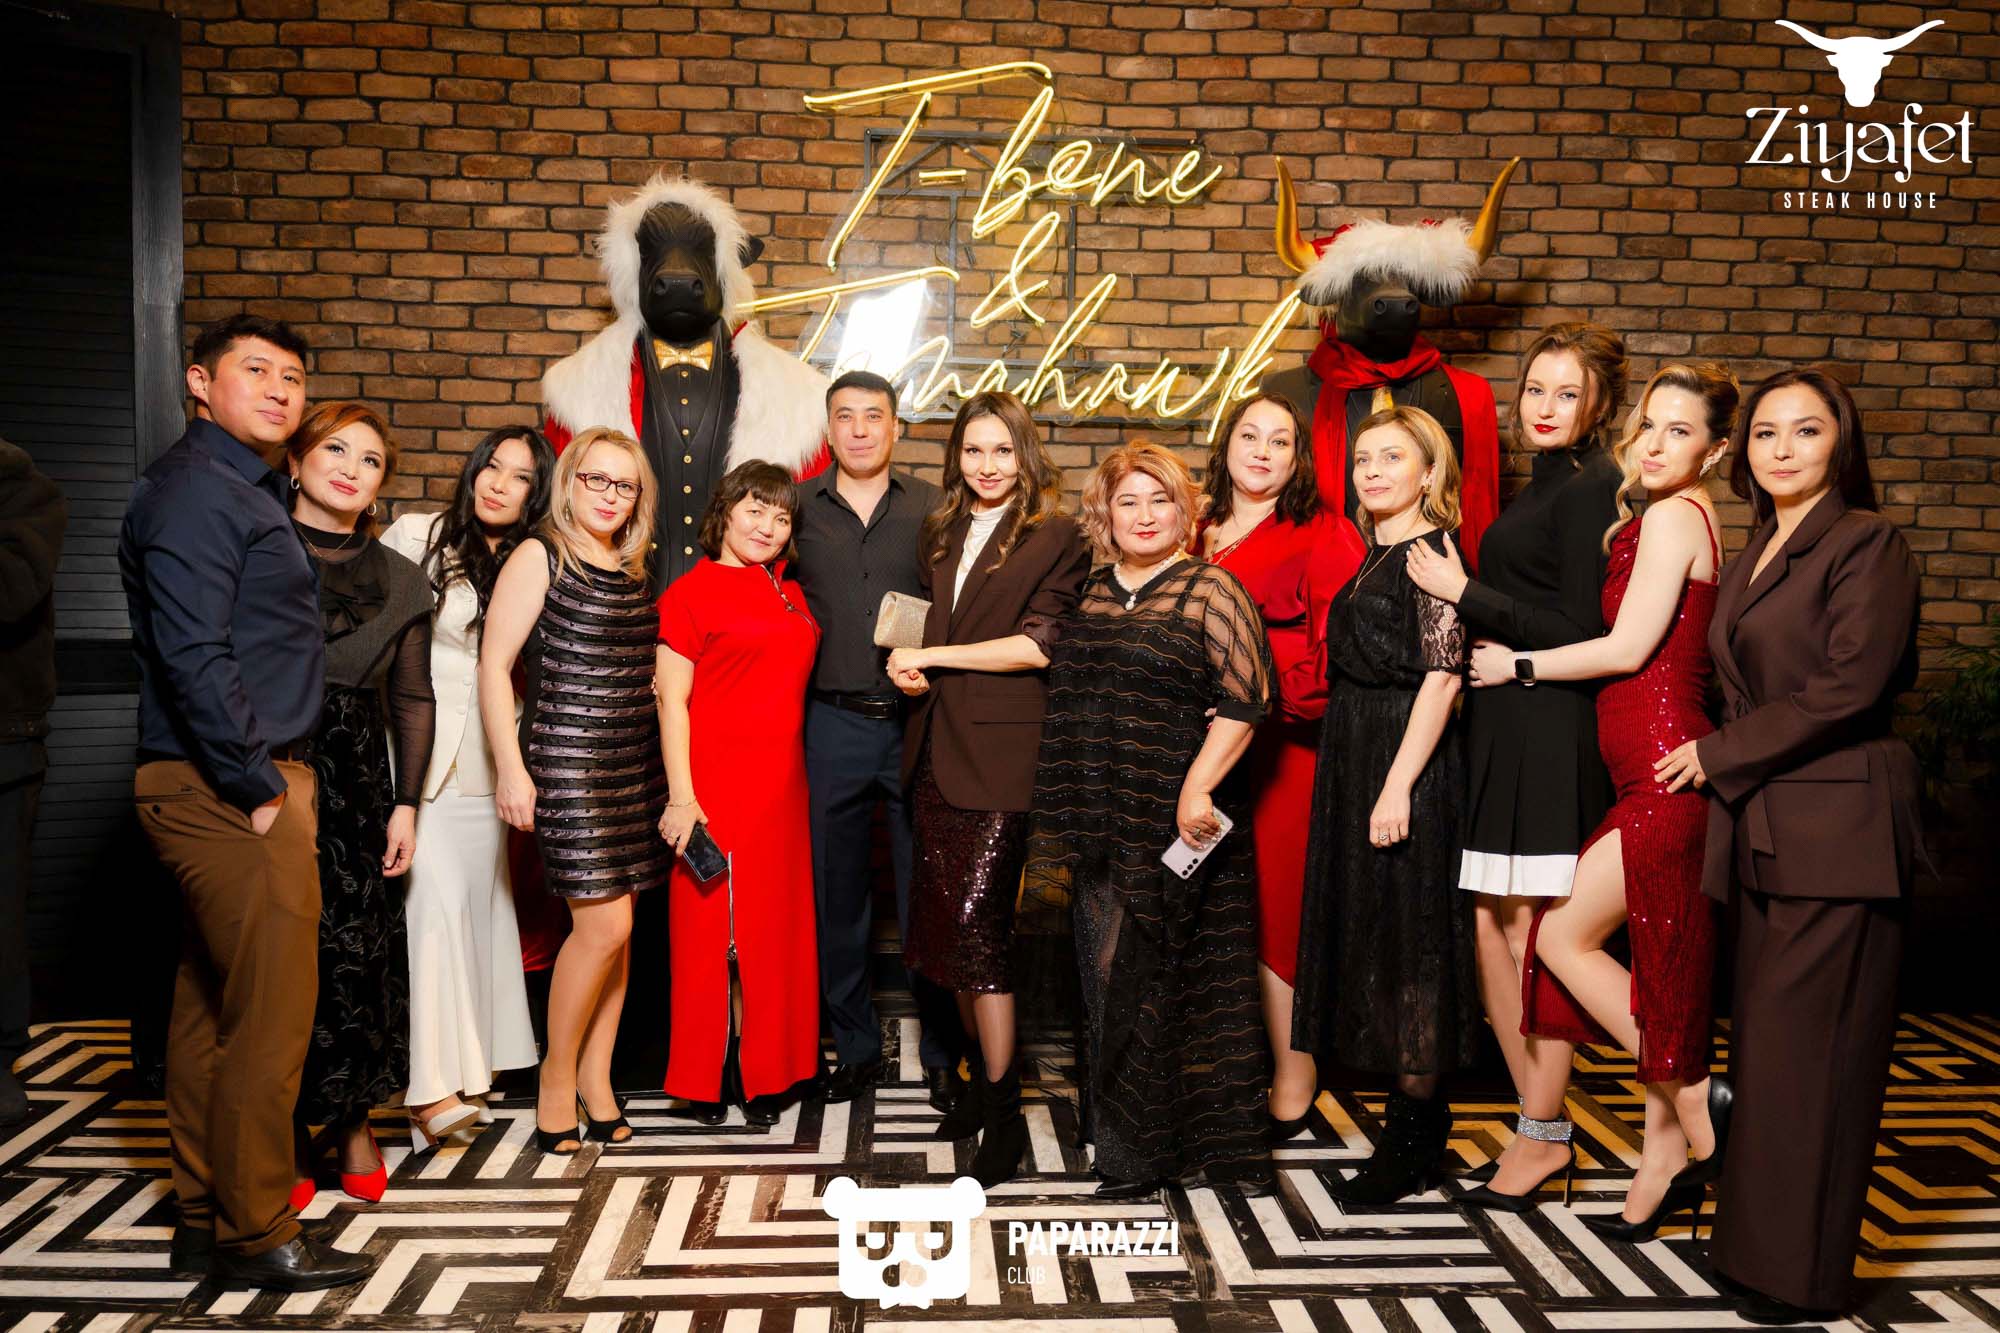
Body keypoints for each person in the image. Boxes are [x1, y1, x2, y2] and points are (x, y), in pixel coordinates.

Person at [1655, 369, 1923, 1324]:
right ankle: (1755, 1252)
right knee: (1771, 1052)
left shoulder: (1868, 542)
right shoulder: (1762, 545)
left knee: (1819, 1057)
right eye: (1767, 432)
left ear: (1840, 442)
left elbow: (1851, 686)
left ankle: (1802, 1276)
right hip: (1768, 825)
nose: (1782, 448)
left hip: (1840, 829)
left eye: (1806, 431)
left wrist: (1714, 754)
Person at [120, 314, 373, 1289]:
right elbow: (194, 651)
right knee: (270, 1019)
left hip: (221, 778)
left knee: (207, 1010)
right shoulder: (197, 491)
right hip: (231, 781)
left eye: (293, 378)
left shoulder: (237, 487)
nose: (279, 390)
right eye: (256, 370)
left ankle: (204, 1214)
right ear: (199, 381)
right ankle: (259, 1228)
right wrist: (257, 783)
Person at [1470, 364, 1736, 1234]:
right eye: (1650, 425)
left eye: (1680, 431)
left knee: (1558, 935)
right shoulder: (1661, 511)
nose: (1655, 444)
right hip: (1641, 772)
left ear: (1715, 450)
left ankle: (1695, 1093)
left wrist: (1516, 663)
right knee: (1653, 964)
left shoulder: (1673, 516)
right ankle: (1664, 1153)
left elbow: (1623, 649)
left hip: (1662, 771)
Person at [1404, 323, 1626, 1191]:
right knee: (1491, 930)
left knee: (1531, 931)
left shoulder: (1594, 486)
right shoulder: (1547, 482)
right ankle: (1541, 1120)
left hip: (1548, 723)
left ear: (1600, 405)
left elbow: (1586, 627)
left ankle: (1543, 1130)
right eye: (1537, 388)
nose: (1546, 406)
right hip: (1503, 720)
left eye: (1569, 393)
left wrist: (1465, 592)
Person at [1024, 442, 1274, 1198]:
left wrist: (1197, 789)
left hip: (1177, 820)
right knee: (1103, 973)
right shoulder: (1096, 591)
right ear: (1106, 513)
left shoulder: (1211, 589)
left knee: (1160, 973)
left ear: (1184, 510)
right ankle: (1125, 1133)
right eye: (1127, 501)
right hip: (1102, 816)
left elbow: (1247, 701)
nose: (1143, 515)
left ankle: (1161, 1143)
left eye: (1159, 499)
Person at [886, 392, 1091, 1187]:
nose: (987, 465)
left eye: (1003, 450)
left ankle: (1003, 1111)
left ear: (1026, 454)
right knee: (948, 937)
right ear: (957, 458)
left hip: (1003, 758)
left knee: (979, 934)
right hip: (935, 749)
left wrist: (933, 658)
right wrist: (905, 663)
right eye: (973, 450)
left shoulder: (1054, 535)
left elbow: (1039, 647)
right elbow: (919, 623)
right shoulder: (941, 530)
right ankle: (979, 1083)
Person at [1293, 405, 1474, 1205]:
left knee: (1414, 948)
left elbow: (1443, 677)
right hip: (1359, 747)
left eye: (1392, 457)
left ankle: (1412, 1142)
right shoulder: (1380, 552)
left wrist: (1398, 783)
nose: (1371, 471)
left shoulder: (1432, 552)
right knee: (1386, 938)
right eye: (1363, 458)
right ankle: (1412, 1134)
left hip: (1406, 757)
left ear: (1429, 471)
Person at [482, 427, 668, 1155]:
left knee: (620, 938)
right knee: (604, 929)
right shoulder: (541, 555)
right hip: (566, 763)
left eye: (625, 485)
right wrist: (510, 767)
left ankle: (598, 1078)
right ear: (569, 482)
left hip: (633, 768)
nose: (609, 495)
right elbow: (494, 665)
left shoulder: (633, 569)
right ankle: (556, 1079)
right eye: (596, 479)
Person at [1193, 393, 1364, 1135]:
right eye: (1249, 436)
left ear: (1300, 459)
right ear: (1226, 443)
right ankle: (1223, 1064)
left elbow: (1344, 649)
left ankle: (1295, 1070)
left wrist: (1255, 701)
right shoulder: (1193, 524)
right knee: (1204, 899)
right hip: (1190, 745)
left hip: (1283, 749)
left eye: (1280, 441)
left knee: (1274, 907)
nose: (1262, 451)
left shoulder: (1322, 531)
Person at [381, 428, 555, 1150]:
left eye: (519, 477)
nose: (498, 483)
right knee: (430, 912)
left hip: (491, 756)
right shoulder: (415, 536)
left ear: (534, 495)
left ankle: (469, 1070)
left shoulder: (532, 559)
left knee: (481, 913)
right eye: (492, 466)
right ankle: (427, 1089)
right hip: (418, 754)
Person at [791, 370, 959, 1108]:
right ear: (827, 430)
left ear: (897, 427)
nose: (859, 429)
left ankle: (944, 1052)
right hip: (828, 723)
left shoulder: (934, 507)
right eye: (845, 416)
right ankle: (854, 1048)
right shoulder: (794, 508)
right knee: (837, 895)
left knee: (926, 891)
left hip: (916, 721)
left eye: (873, 416)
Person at [284, 402, 437, 1204]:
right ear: (296, 460)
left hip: (354, 772)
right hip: (267, 755)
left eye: (370, 459)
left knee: (356, 951)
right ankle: (279, 1125)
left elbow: (412, 697)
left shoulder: (402, 579)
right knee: (279, 949)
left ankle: (351, 1118)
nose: (351, 468)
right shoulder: (252, 547)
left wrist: (406, 803)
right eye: (335, 449)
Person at [656, 462, 822, 1126]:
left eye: (781, 517)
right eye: (756, 510)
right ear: (724, 511)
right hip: (715, 784)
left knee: (770, 932)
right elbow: (671, 701)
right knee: (712, 932)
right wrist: (681, 797)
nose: (768, 527)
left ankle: (766, 1070)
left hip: (782, 789)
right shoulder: (689, 593)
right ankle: (709, 1075)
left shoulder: (789, 591)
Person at [0, 435, 66, 1130]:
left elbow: (11, 592)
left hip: (4, 740)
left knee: (1, 907)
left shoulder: (22, 486)